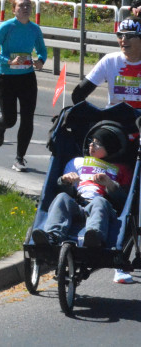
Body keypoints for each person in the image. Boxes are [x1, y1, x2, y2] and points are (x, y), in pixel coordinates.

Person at [70, 16, 141, 284]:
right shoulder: (111, 61)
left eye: (130, 37)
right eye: (120, 36)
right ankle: (120, 264)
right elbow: (80, 94)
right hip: (117, 135)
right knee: (124, 196)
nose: (124, 41)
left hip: (140, 131)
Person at [30, 124, 131, 249]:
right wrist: (65, 181)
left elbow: (125, 200)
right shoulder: (77, 162)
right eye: (91, 142)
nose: (91, 145)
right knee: (62, 197)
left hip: (103, 205)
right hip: (78, 202)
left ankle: (94, 236)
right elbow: (64, 191)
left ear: (110, 147)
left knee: (99, 202)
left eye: (98, 143)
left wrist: (109, 184)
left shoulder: (120, 169)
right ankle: (53, 235)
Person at [0, 0, 47, 172]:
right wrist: (7, 61)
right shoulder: (7, 26)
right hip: (6, 76)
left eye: (28, 5)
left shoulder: (35, 29)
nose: (25, 8)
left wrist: (40, 60)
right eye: (21, 6)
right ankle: (1, 124)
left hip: (27, 77)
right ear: (14, 9)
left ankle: (20, 158)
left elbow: (42, 50)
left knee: (27, 118)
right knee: (11, 119)